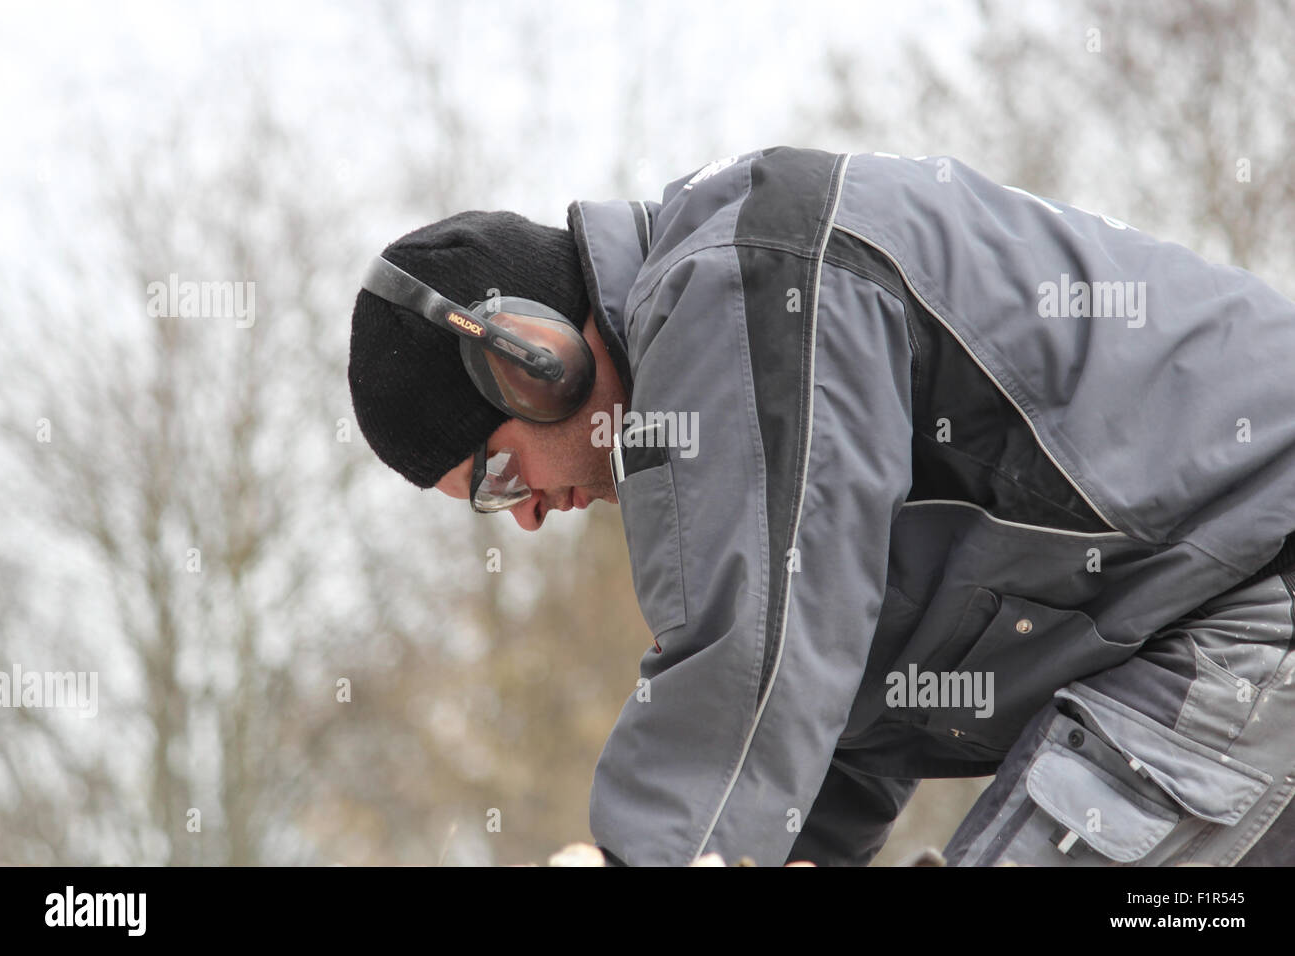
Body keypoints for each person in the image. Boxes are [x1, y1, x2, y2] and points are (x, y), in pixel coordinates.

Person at [347, 147, 1295, 867]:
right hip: (1223, 616)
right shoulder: (763, 336)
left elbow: (752, 664)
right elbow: (846, 701)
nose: (522, 516)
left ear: (529, 363)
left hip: (1253, 593)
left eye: (499, 477)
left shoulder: (740, 280)